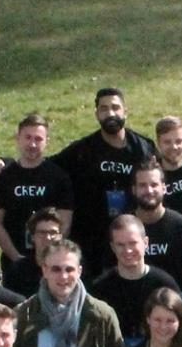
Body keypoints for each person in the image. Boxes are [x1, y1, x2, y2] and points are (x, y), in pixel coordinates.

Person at [53, 86, 154, 261]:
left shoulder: (143, 148)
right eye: (104, 109)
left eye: (115, 107)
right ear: (97, 114)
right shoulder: (82, 151)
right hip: (91, 240)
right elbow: (47, 166)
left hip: (130, 238)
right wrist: (7, 163)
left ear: (125, 112)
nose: (110, 113)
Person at [15, 238, 123, 347]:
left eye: (69, 269)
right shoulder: (25, 314)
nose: (63, 276)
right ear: (44, 270)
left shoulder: (102, 316)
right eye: (56, 269)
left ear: (79, 271)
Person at [0, 114, 74, 274]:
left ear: (47, 141)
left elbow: (65, 223)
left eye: (38, 139)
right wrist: (16, 258)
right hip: (14, 261)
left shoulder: (59, 177)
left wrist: (50, 257)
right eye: (28, 137)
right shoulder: (3, 176)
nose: (32, 144)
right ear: (18, 138)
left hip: (51, 264)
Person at [90, 216, 180, 342]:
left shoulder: (165, 285)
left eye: (133, 243)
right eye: (120, 245)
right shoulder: (99, 288)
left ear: (145, 243)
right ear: (112, 247)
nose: (128, 250)